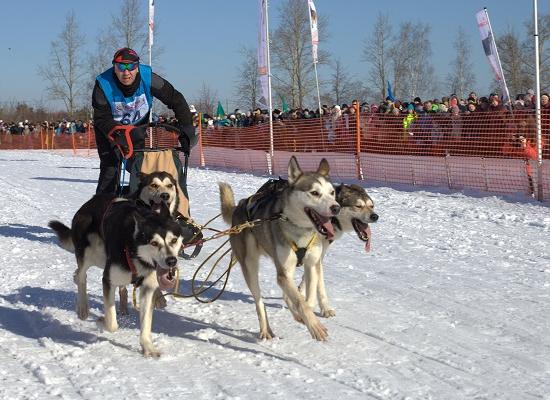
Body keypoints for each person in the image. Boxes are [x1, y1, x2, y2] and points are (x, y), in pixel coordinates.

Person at [92, 47, 196, 194]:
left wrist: (187, 128)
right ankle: (102, 210)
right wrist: (117, 133)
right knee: (111, 169)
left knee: (140, 168)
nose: (126, 72)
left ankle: (140, 208)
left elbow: (176, 99)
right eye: (121, 67)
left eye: (131, 66)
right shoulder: (103, 83)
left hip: (136, 130)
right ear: (114, 67)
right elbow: (101, 117)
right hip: (110, 132)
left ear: (138, 67)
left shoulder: (149, 78)